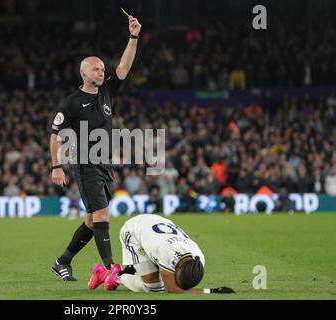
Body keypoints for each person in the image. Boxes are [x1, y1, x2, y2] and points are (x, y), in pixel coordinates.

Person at [49, 15, 142, 291]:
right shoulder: (72, 103)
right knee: (102, 216)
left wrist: (133, 37)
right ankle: (111, 268)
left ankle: (62, 261)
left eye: (102, 69)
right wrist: (56, 166)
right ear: (84, 73)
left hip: (104, 164)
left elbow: (124, 66)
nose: (102, 72)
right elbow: (55, 136)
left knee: (91, 221)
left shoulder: (106, 92)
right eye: (96, 69)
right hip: (86, 164)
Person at [95, 214, 235, 294]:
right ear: (178, 266)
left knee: (156, 274)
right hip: (133, 231)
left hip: (155, 226)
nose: (178, 283)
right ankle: (116, 275)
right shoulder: (168, 254)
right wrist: (211, 291)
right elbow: (173, 290)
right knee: (154, 288)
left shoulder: (199, 259)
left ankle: (134, 268)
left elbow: (182, 287)